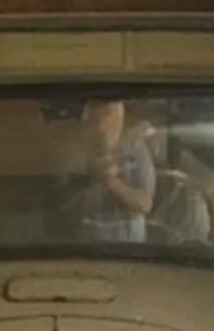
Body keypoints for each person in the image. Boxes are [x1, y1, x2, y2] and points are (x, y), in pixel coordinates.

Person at [56, 100, 156, 243]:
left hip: (130, 250)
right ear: (88, 121)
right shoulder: (73, 153)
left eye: (112, 120)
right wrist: (88, 177)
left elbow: (145, 204)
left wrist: (113, 183)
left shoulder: (136, 152)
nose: (103, 128)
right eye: (97, 120)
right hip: (84, 250)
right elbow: (57, 212)